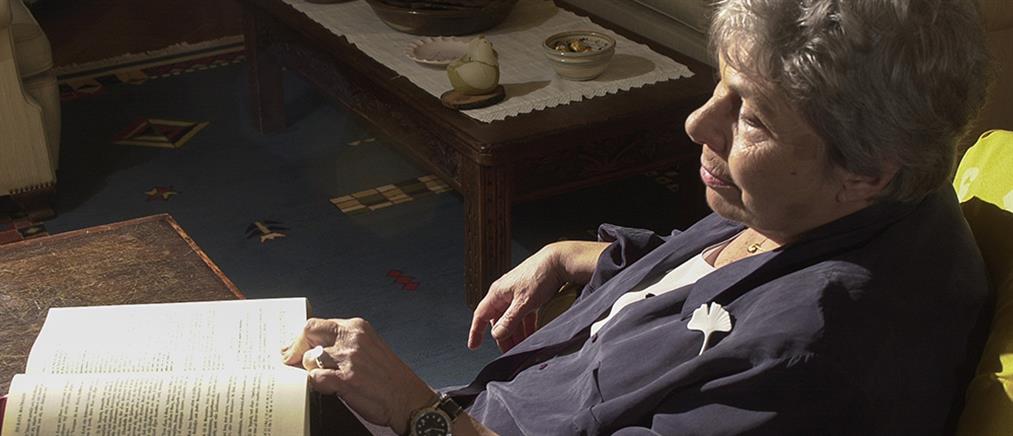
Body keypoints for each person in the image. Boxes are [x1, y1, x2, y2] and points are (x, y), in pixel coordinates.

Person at [281, 0, 993, 434]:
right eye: (720, 88)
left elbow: (765, 327)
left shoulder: (809, 362)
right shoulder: (853, 200)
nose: (696, 124)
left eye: (751, 117)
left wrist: (417, 414)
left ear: (865, 169)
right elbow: (721, 276)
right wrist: (570, 253)